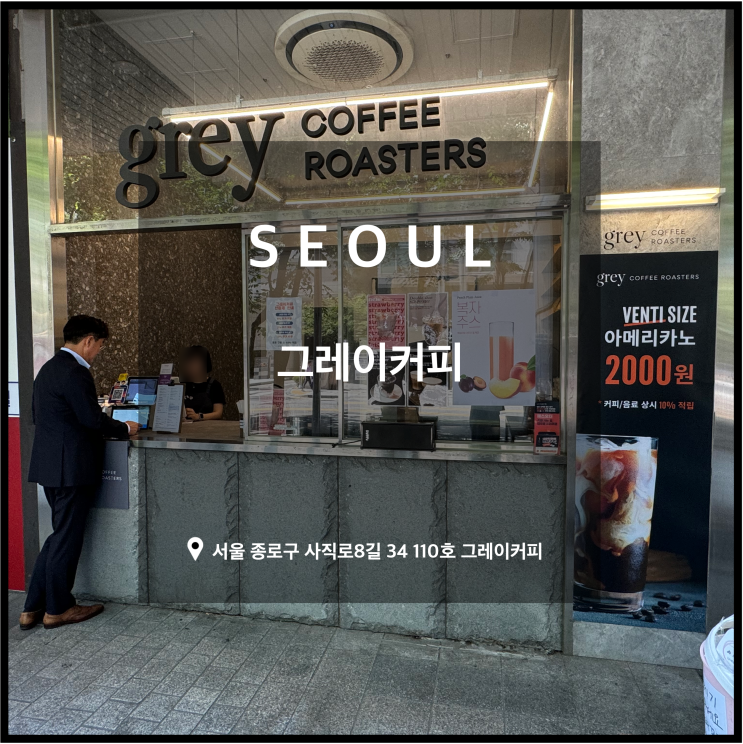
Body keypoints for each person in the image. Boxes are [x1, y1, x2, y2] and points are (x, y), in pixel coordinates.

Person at [20, 315, 141, 631]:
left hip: (50, 466)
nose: (98, 351)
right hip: (71, 468)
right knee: (67, 537)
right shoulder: (76, 372)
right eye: (100, 345)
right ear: (89, 340)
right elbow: (91, 419)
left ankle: (32, 607)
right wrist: (124, 428)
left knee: (59, 534)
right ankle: (59, 608)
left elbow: (40, 415)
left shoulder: (48, 369)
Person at [181, 345, 225, 421]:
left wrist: (199, 416)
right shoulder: (182, 384)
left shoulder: (214, 385)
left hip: (207, 426)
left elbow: (218, 413)